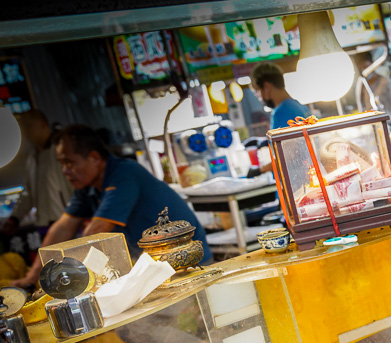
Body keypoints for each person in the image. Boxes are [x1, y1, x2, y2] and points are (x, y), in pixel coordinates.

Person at [11, 125, 212, 289]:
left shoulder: (124, 174)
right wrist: (32, 277)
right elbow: (62, 228)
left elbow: (96, 232)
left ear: (95, 158)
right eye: (61, 164)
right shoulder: (87, 188)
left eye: (69, 163)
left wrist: (70, 277)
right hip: (154, 270)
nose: (65, 171)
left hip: (187, 263)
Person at [1, 110, 73, 236]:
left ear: (43, 124)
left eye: (29, 126)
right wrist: (15, 218)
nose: (27, 131)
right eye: (24, 128)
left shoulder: (60, 152)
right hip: (44, 225)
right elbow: (28, 193)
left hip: (68, 221)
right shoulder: (32, 158)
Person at [353, 51, 391, 130]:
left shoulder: (386, 83)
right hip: (374, 130)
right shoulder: (363, 86)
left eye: (365, 67)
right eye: (360, 68)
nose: (363, 71)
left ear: (372, 64)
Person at [251, 62, 310, 130]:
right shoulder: (301, 107)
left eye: (257, 91)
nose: (259, 98)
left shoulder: (280, 113)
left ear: (267, 86)